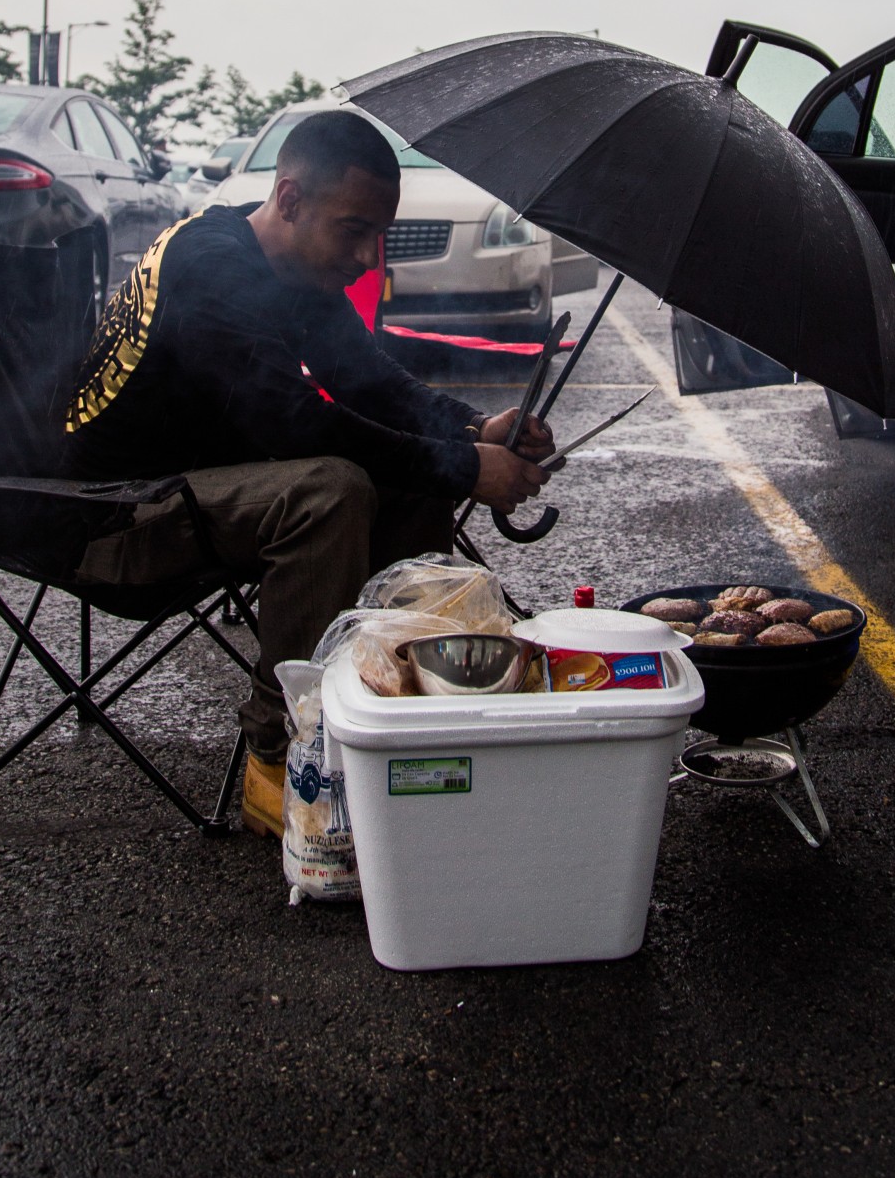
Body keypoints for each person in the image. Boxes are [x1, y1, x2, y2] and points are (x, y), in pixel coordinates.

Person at [62, 109, 552, 837]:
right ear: (290, 201)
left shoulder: (289, 264)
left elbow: (369, 382)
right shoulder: (210, 266)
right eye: (353, 230)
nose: (366, 256)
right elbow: (291, 423)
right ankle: (282, 759)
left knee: (399, 477)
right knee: (329, 489)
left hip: (193, 493)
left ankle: (395, 697)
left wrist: (471, 429)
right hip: (112, 521)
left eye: (377, 236)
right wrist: (462, 469)